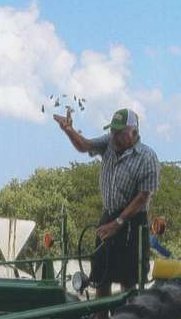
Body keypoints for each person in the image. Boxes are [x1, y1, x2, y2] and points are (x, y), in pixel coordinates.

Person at [53, 107, 160, 307]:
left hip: (132, 221)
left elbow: (143, 197)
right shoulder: (109, 143)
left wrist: (118, 223)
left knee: (129, 281)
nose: (115, 136)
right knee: (101, 277)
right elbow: (84, 146)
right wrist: (68, 130)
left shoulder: (147, 157)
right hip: (109, 215)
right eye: (113, 131)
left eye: (120, 132)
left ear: (134, 133)